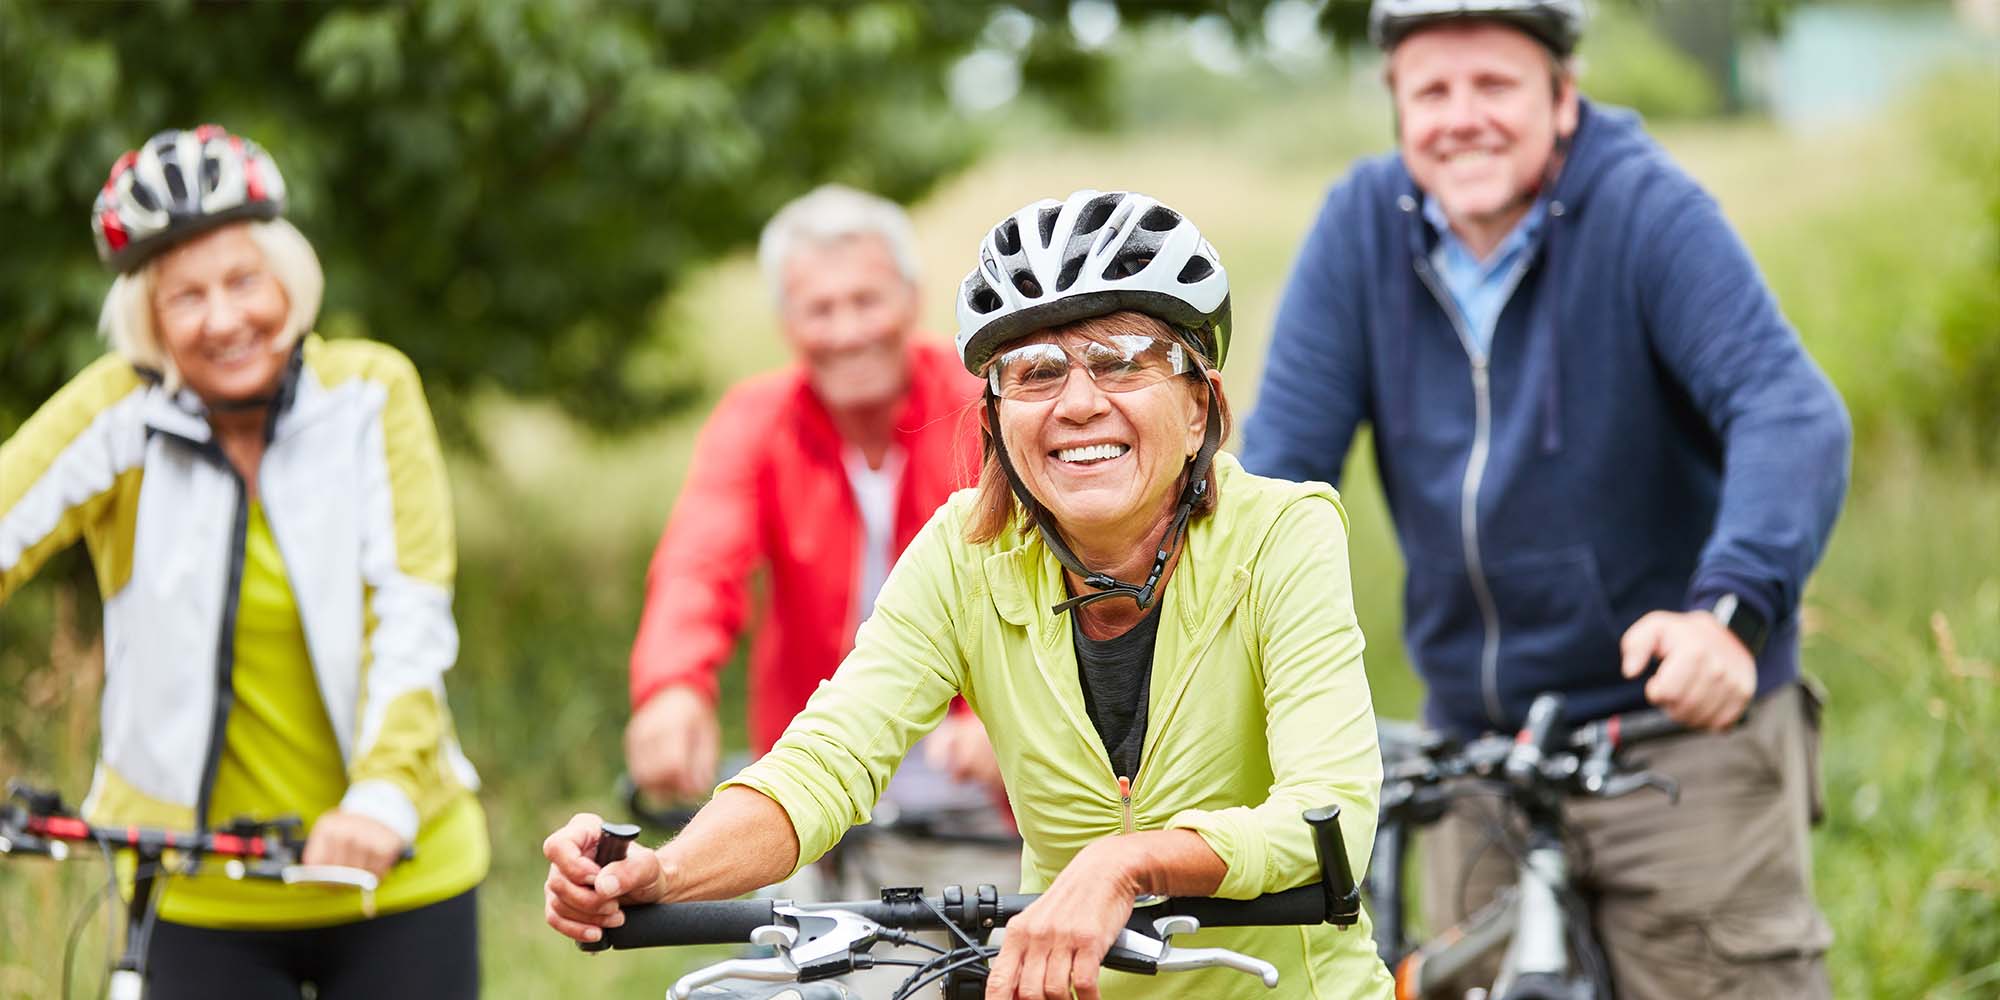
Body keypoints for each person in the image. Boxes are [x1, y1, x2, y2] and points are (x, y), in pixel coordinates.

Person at [548, 189, 1397, 1000]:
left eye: (1122, 362)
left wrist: (1122, 862)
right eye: (1033, 372)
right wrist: (665, 870)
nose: (1077, 403)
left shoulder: (1283, 533)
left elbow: (1328, 817)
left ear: (1198, 402)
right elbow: (826, 762)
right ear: (993, 417)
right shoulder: (967, 553)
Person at [1242, 2, 1849, 995]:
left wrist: (1727, 614)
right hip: (1471, 749)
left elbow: (1785, 409)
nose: (1460, 116)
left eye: (1494, 86)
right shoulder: (1359, 228)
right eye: (1431, 91)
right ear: (1395, 108)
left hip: (1669, 739)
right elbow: (1279, 476)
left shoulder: (1643, 209)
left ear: (1562, 98)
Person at [0, 126, 484, 998]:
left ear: (289, 282)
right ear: (147, 319)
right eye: (185, 296)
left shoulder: (370, 396)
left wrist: (383, 795)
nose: (223, 320)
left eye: (243, 281)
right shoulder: (121, 415)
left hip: (395, 874)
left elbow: (411, 612)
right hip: (195, 894)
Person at [620, 185, 1019, 983]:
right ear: (787, 323)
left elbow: (1033, 567)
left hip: (994, 809)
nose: (845, 330)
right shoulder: (757, 419)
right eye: (818, 308)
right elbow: (701, 559)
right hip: (823, 803)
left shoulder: (986, 406)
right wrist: (671, 687)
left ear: (911, 299)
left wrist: (993, 715)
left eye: (865, 299)